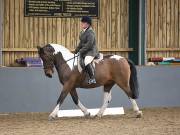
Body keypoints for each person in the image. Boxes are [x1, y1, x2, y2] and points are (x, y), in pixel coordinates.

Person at [74, 16, 99, 84]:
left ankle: (92, 78)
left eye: (83, 22)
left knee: (87, 61)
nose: (81, 23)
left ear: (88, 24)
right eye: (82, 22)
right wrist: (76, 50)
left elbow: (89, 44)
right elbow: (81, 43)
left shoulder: (91, 32)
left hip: (91, 51)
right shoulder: (82, 32)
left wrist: (81, 51)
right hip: (85, 51)